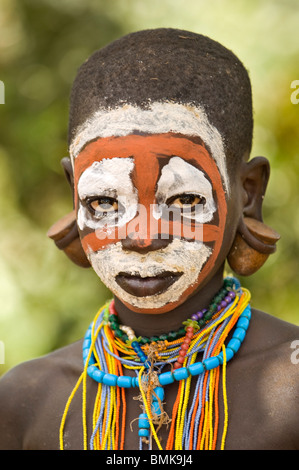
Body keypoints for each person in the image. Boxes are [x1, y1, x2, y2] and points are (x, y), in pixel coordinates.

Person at [0, 28, 298, 451]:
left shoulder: (290, 389)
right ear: (74, 191)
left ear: (247, 192)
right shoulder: (24, 401)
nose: (142, 237)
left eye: (185, 199)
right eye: (104, 202)